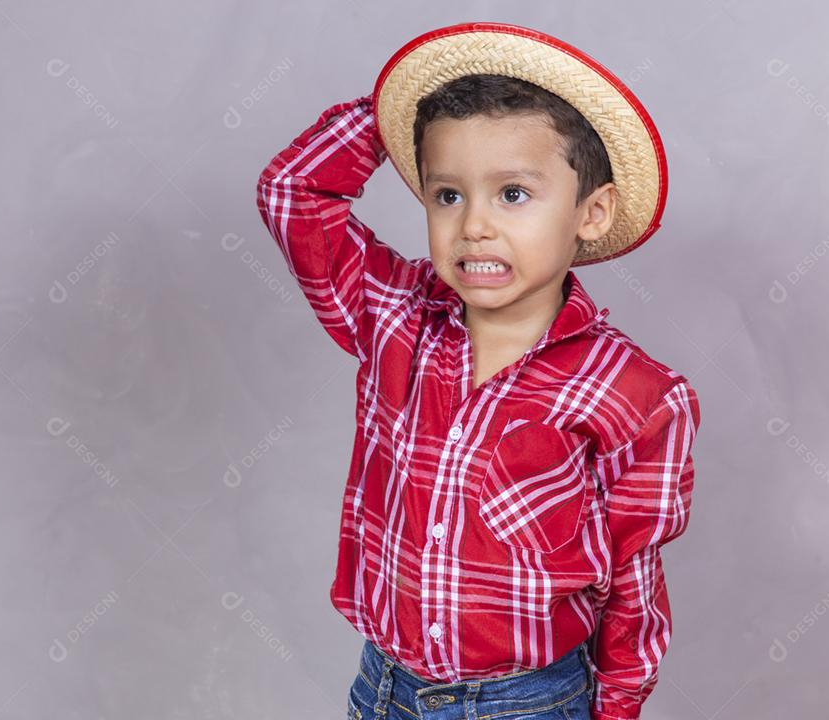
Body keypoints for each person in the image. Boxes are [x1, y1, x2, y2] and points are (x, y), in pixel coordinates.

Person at [254, 22, 700, 720]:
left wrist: (616, 710)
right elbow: (294, 193)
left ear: (592, 212)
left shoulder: (635, 394)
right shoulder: (393, 318)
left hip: (528, 702)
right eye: (448, 195)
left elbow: (630, 581)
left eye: (513, 194)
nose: (474, 227)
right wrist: (397, 109)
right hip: (384, 688)